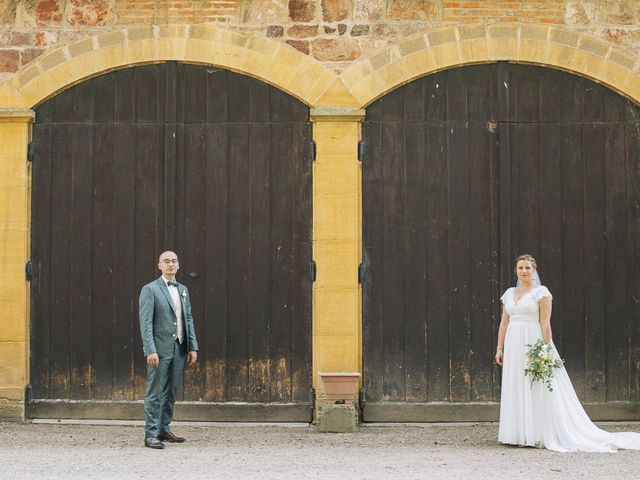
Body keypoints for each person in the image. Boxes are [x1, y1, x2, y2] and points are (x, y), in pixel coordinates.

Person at [495, 254, 640, 452]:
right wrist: (500, 348)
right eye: (521, 268)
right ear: (516, 270)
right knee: (516, 382)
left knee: (536, 384)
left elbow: (545, 323)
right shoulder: (509, 293)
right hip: (513, 342)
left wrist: (545, 348)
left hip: (533, 341)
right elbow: (504, 322)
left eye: (528, 268)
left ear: (534, 270)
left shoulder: (541, 293)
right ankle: (517, 432)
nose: (524, 271)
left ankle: (537, 432)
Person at [139, 250, 198, 449]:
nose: (171, 264)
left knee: (170, 391)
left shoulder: (183, 289)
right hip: (159, 349)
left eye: (174, 261)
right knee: (155, 391)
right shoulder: (150, 289)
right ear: (159, 265)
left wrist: (192, 346)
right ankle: (151, 434)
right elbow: (146, 323)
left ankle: (163, 429)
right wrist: (150, 350)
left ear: (178, 265)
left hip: (180, 348)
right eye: (166, 261)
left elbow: (187, 318)